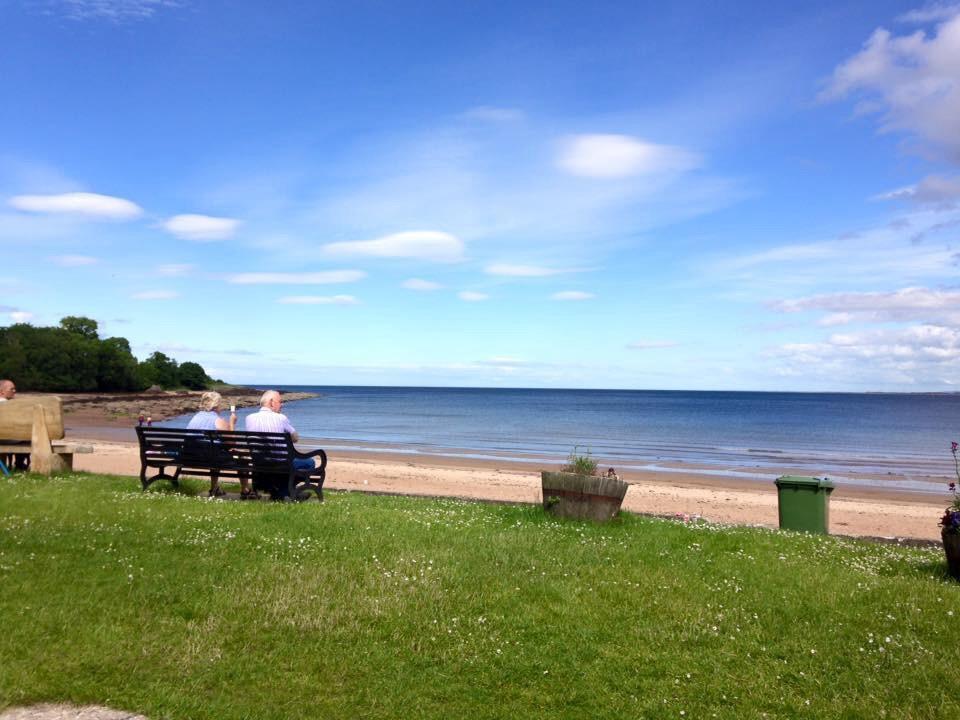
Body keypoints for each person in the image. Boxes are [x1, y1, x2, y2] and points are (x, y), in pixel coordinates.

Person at [245, 390, 316, 497]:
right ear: (272, 402)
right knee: (310, 463)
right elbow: (295, 438)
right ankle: (284, 491)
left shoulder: (249, 418)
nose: (281, 405)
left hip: (260, 463)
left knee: (281, 465)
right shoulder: (281, 418)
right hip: (281, 464)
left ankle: (279, 491)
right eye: (280, 401)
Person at [186, 391, 254, 499]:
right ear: (216, 405)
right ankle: (245, 489)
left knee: (214, 451)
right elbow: (233, 443)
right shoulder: (218, 421)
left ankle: (214, 488)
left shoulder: (195, 418)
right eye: (220, 404)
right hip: (213, 458)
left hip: (193, 458)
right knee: (241, 456)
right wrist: (232, 423)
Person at [0, 379, 28, 470]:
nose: (14, 391)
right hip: (7, 438)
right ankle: (19, 464)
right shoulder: (11, 406)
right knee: (28, 438)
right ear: (1, 392)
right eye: (11, 389)